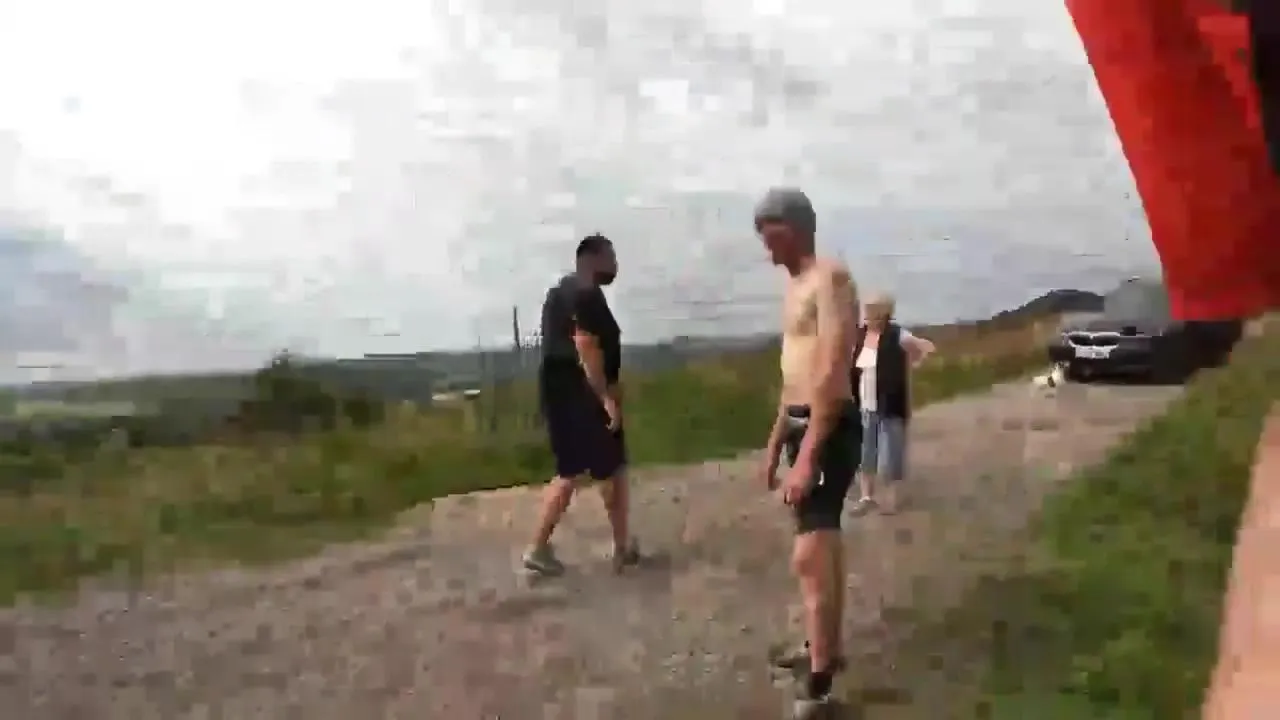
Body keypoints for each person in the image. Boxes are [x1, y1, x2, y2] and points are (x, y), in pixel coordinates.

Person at [754, 188, 860, 719]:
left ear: (795, 228)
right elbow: (793, 372)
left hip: (828, 426)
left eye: (770, 234)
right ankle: (826, 649)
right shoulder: (794, 287)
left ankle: (818, 689)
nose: (765, 247)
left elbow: (833, 372)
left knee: (809, 556)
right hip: (802, 423)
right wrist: (776, 443)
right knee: (824, 544)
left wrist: (809, 455)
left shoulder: (830, 279)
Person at [522, 233, 640, 577]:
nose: (615, 265)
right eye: (611, 257)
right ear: (593, 259)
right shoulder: (586, 293)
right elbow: (586, 344)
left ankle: (543, 547)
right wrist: (605, 397)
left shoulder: (561, 291)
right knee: (607, 468)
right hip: (583, 393)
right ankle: (617, 548)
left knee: (579, 469)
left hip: (561, 393)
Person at [849, 292, 935, 516]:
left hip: (891, 403)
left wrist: (914, 361)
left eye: (871, 310)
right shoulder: (861, 334)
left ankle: (892, 499)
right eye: (866, 310)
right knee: (865, 454)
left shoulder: (898, 334)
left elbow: (924, 348)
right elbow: (855, 366)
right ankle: (866, 497)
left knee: (891, 455)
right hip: (865, 405)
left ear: (884, 313)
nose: (867, 314)